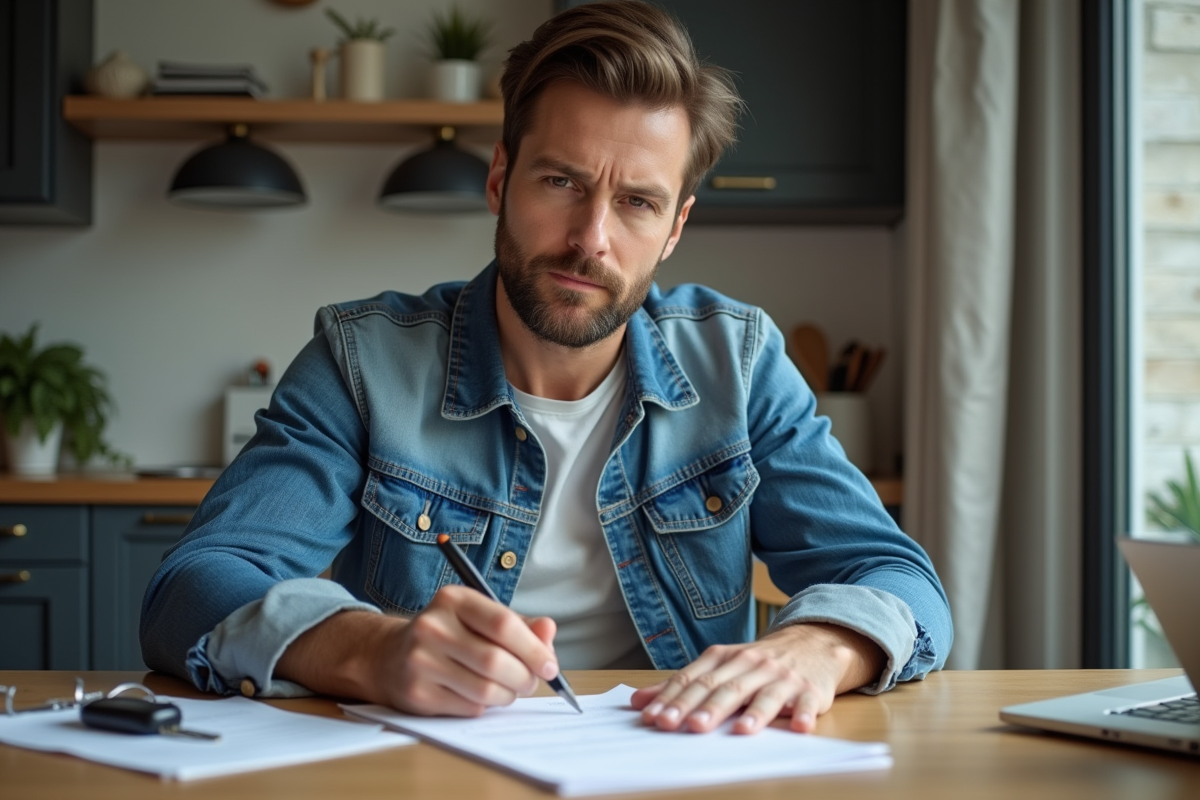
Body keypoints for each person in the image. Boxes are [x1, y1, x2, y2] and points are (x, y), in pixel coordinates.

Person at [141, 0, 952, 736]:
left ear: (675, 227)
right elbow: (192, 588)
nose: (590, 238)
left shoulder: (739, 364)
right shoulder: (363, 363)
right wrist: (370, 651)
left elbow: (900, 581)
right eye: (561, 181)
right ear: (500, 178)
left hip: (683, 766)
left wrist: (822, 648)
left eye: (637, 201)